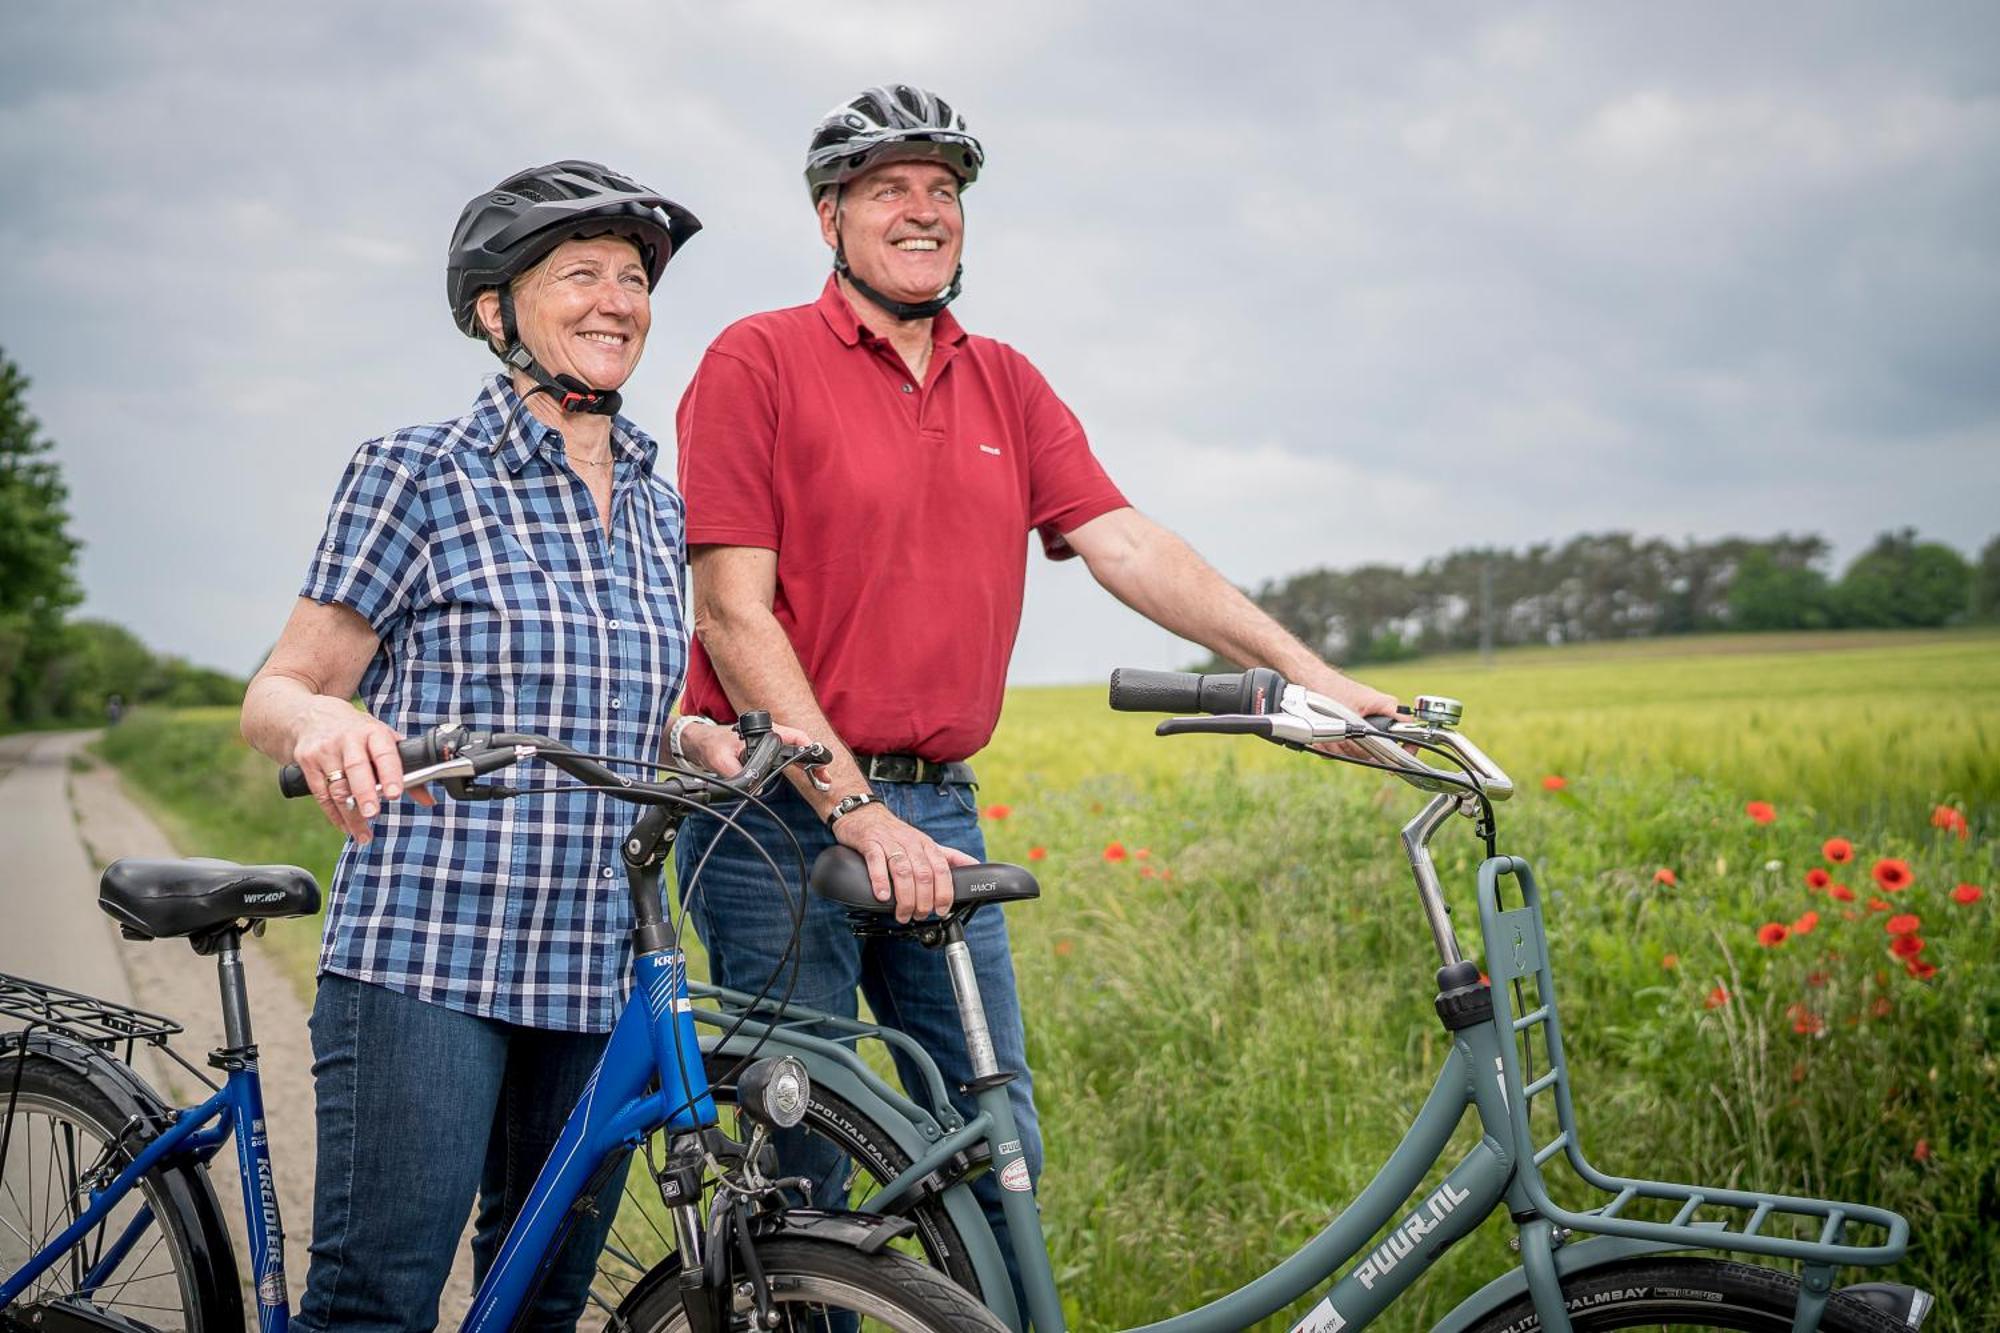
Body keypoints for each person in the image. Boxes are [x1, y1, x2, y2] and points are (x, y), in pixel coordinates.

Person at [671, 84, 1400, 1312]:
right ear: (828, 218)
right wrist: (849, 806)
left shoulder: (1000, 379)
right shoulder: (758, 358)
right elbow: (731, 611)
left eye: (942, 191)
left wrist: (1315, 682)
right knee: (804, 1159)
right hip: (768, 820)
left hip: (936, 812)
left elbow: (1124, 543)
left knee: (995, 1143)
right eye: (889, 188)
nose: (923, 212)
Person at [241, 160, 756, 1331]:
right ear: (494, 310)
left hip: (597, 960)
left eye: (633, 278)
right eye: (579, 273)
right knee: (380, 1294)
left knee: (543, 1297)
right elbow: (280, 687)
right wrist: (325, 718)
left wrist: (691, 735)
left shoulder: (655, 505)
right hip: (433, 951)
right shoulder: (417, 472)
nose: (616, 299)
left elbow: (598, 689)